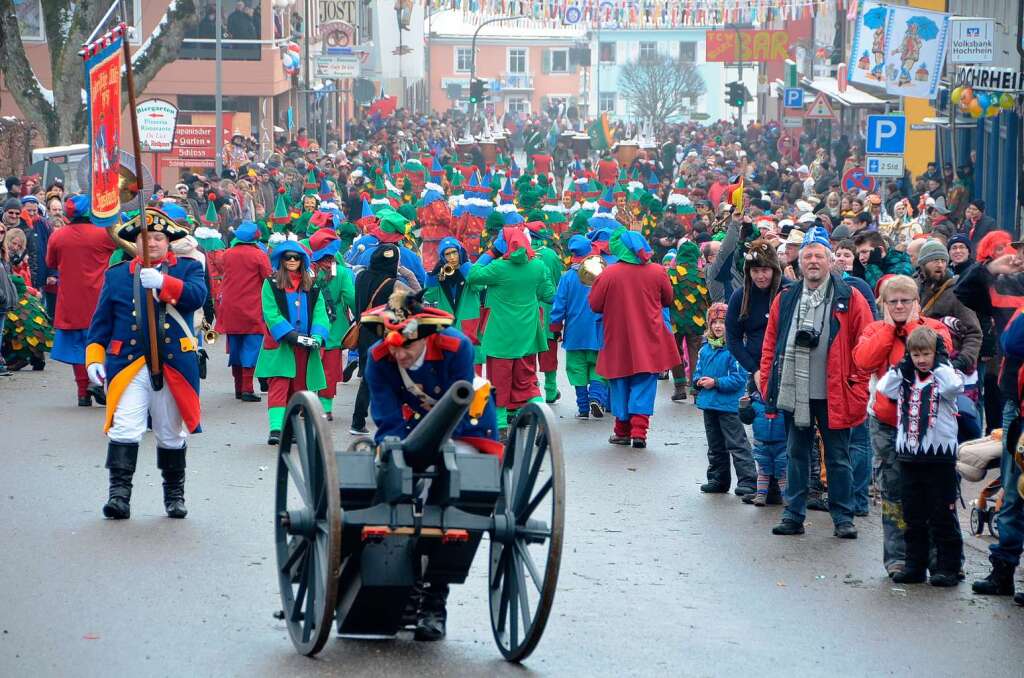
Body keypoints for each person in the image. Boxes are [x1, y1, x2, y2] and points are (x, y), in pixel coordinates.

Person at [361, 288, 501, 641]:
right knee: (402, 494)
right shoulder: (379, 358)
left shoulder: (455, 348)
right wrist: (393, 451)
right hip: (413, 428)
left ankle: (434, 601)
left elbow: (459, 400)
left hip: (467, 424)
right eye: (393, 347)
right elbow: (386, 415)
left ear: (424, 337)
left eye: (406, 347)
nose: (399, 354)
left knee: (452, 502)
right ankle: (402, 586)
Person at [85, 207, 208, 519]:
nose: (151, 243)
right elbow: (100, 326)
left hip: (174, 365)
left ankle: (174, 497)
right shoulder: (116, 277)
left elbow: (197, 297)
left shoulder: (188, 269)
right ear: (134, 244)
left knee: (170, 432)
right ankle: (119, 496)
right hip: (128, 365)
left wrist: (164, 283)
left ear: (168, 242)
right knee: (125, 427)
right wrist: (94, 360)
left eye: (157, 237)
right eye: (144, 238)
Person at [759, 227, 873, 539]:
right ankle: (793, 516)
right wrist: (768, 381)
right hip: (796, 392)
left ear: (831, 261)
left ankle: (843, 518)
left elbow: (867, 343)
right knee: (796, 455)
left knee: (838, 457)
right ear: (799, 263)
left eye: (818, 255)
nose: (812, 261)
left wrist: (859, 385)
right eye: (807, 255)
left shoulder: (851, 297)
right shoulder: (786, 298)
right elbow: (771, 345)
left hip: (837, 392)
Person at [853, 275, 952, 576]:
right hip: (886, 424)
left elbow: (941, 358)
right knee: (893, 493)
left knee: (933, 493)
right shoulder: (874, 329)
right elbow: (864, 361)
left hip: (929, 428)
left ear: (916, 303)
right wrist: (888, 329)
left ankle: (939, 560)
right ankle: (899, 558)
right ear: (883, 304)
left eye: (905, 301)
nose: (898, 306)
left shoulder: (934, 329)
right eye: (892, 301)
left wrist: (909, 327)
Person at [875, 326, 964, 586]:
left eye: (926, 354)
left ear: (935, 354)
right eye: (916, 355)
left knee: (942, 515)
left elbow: (954, 386)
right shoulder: (905, 378)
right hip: (910, 458)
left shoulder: (944, 376)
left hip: (940, 459)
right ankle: (915, 566)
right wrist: (901, 366)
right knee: (913, 516)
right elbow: (884, 388)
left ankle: (948, 567)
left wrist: (941, 363)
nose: (921, 360)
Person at [589, 228, 680, 448]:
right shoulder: (658, 271)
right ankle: (639, 432)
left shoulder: (608, 273)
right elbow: (667, 298)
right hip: (650, 335)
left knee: (619, 382)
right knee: (645, 381)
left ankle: (621, 431)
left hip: (618, 336)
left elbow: (594, 305)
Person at [467, 227, 554, 433]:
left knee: (499, 380)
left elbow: (472, 275)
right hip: (528, 335)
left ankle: (501, 426)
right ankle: (544, 421)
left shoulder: (498, 267)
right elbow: (548, 294)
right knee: (528, 380)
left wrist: (490, 252)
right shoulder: (538, 266)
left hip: (501, 336)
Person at [255, 241, 330, 445]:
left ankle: (294, 427)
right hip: (281, 345)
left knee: (299, 388)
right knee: (278, 386)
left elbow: (320, 313)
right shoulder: (270, 284)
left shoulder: (312, 286)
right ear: (281, 260)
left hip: (304, 349)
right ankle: (276, 429)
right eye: (287, 257)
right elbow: (270, 312)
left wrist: (317, 335)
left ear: (302, 261)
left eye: (295, 257)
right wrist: (290, 335)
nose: (291, 261)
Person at [350, 243, 414, 435]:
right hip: (385, 334)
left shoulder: (360, 277)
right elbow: (415, 297)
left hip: (364, 333)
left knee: (369, 377)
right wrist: (407, 274)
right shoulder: (393, 283)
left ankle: (358, 421)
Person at [694, 302, 756, 495]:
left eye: (722, 322)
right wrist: (698, 382)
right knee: (715, 445)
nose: (718, 326)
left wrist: (716, 382)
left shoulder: (734, 349)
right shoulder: (705, 350)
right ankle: (718, 479)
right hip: (709, 403)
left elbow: (738, 379)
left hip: (728, 405)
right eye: (715, 322)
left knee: (737, 443)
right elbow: (697, 372)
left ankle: (748, 480)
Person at [550, 235, 607, 418]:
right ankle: (596, 399)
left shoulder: (567, 278)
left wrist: (556, 328)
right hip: (598, 330)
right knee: (599, 367)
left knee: (577, 369)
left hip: (575, 332)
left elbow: (559, 305)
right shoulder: (602, 275)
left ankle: (583, 408)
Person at [216, 220, 272, 402]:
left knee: (235, 347)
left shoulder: (227, 254)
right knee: (251, 346)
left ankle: (238, 388)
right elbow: (268, 277)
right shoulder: (259, 255)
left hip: (230, 306)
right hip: (252, 306)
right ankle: (247, 388)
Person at [308, 228, 356, 419]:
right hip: (335, 328)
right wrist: (358, 317)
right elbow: (351, 297)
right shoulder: (343, 272)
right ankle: (325, 408)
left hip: (310, 325)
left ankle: (308, 404)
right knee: (330, 368)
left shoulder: (307, 271)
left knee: (310, 365)